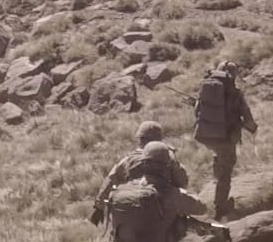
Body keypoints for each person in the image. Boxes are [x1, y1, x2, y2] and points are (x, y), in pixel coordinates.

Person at [94, 121, 207, 242]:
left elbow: (110, 180)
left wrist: (99, 207)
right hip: (162, 205)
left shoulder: (128, 160)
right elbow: (183, 183)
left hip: (129, 212)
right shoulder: (168, 157)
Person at [193, 61, 258, 220]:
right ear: (233, 75)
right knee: (226, 172)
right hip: (227, 138)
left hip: (209, 136)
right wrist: (252, 127)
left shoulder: (206, 89)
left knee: (219, 156)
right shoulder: (235, 93)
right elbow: (246, 115)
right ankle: (220, 206)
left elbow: (197, 111)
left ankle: (217, 178)